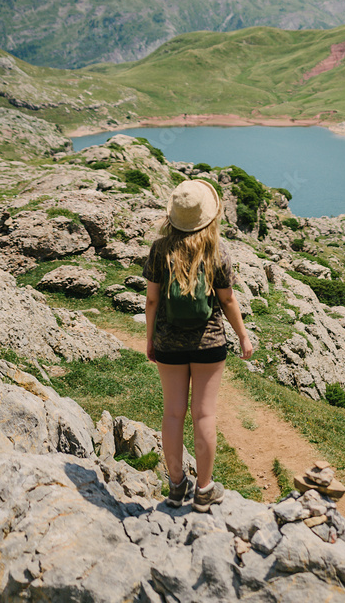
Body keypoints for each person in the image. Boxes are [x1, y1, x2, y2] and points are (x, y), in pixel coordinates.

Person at [144, 178, 253, 510]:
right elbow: (228, 299)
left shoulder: (159, 250)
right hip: (209, 344)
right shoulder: (216, 250)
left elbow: (151, 301)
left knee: (173, 414)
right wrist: (243, 336)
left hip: (168, 344)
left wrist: (150, 341)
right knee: (204, 416)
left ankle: (176, 486)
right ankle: (204, 490)